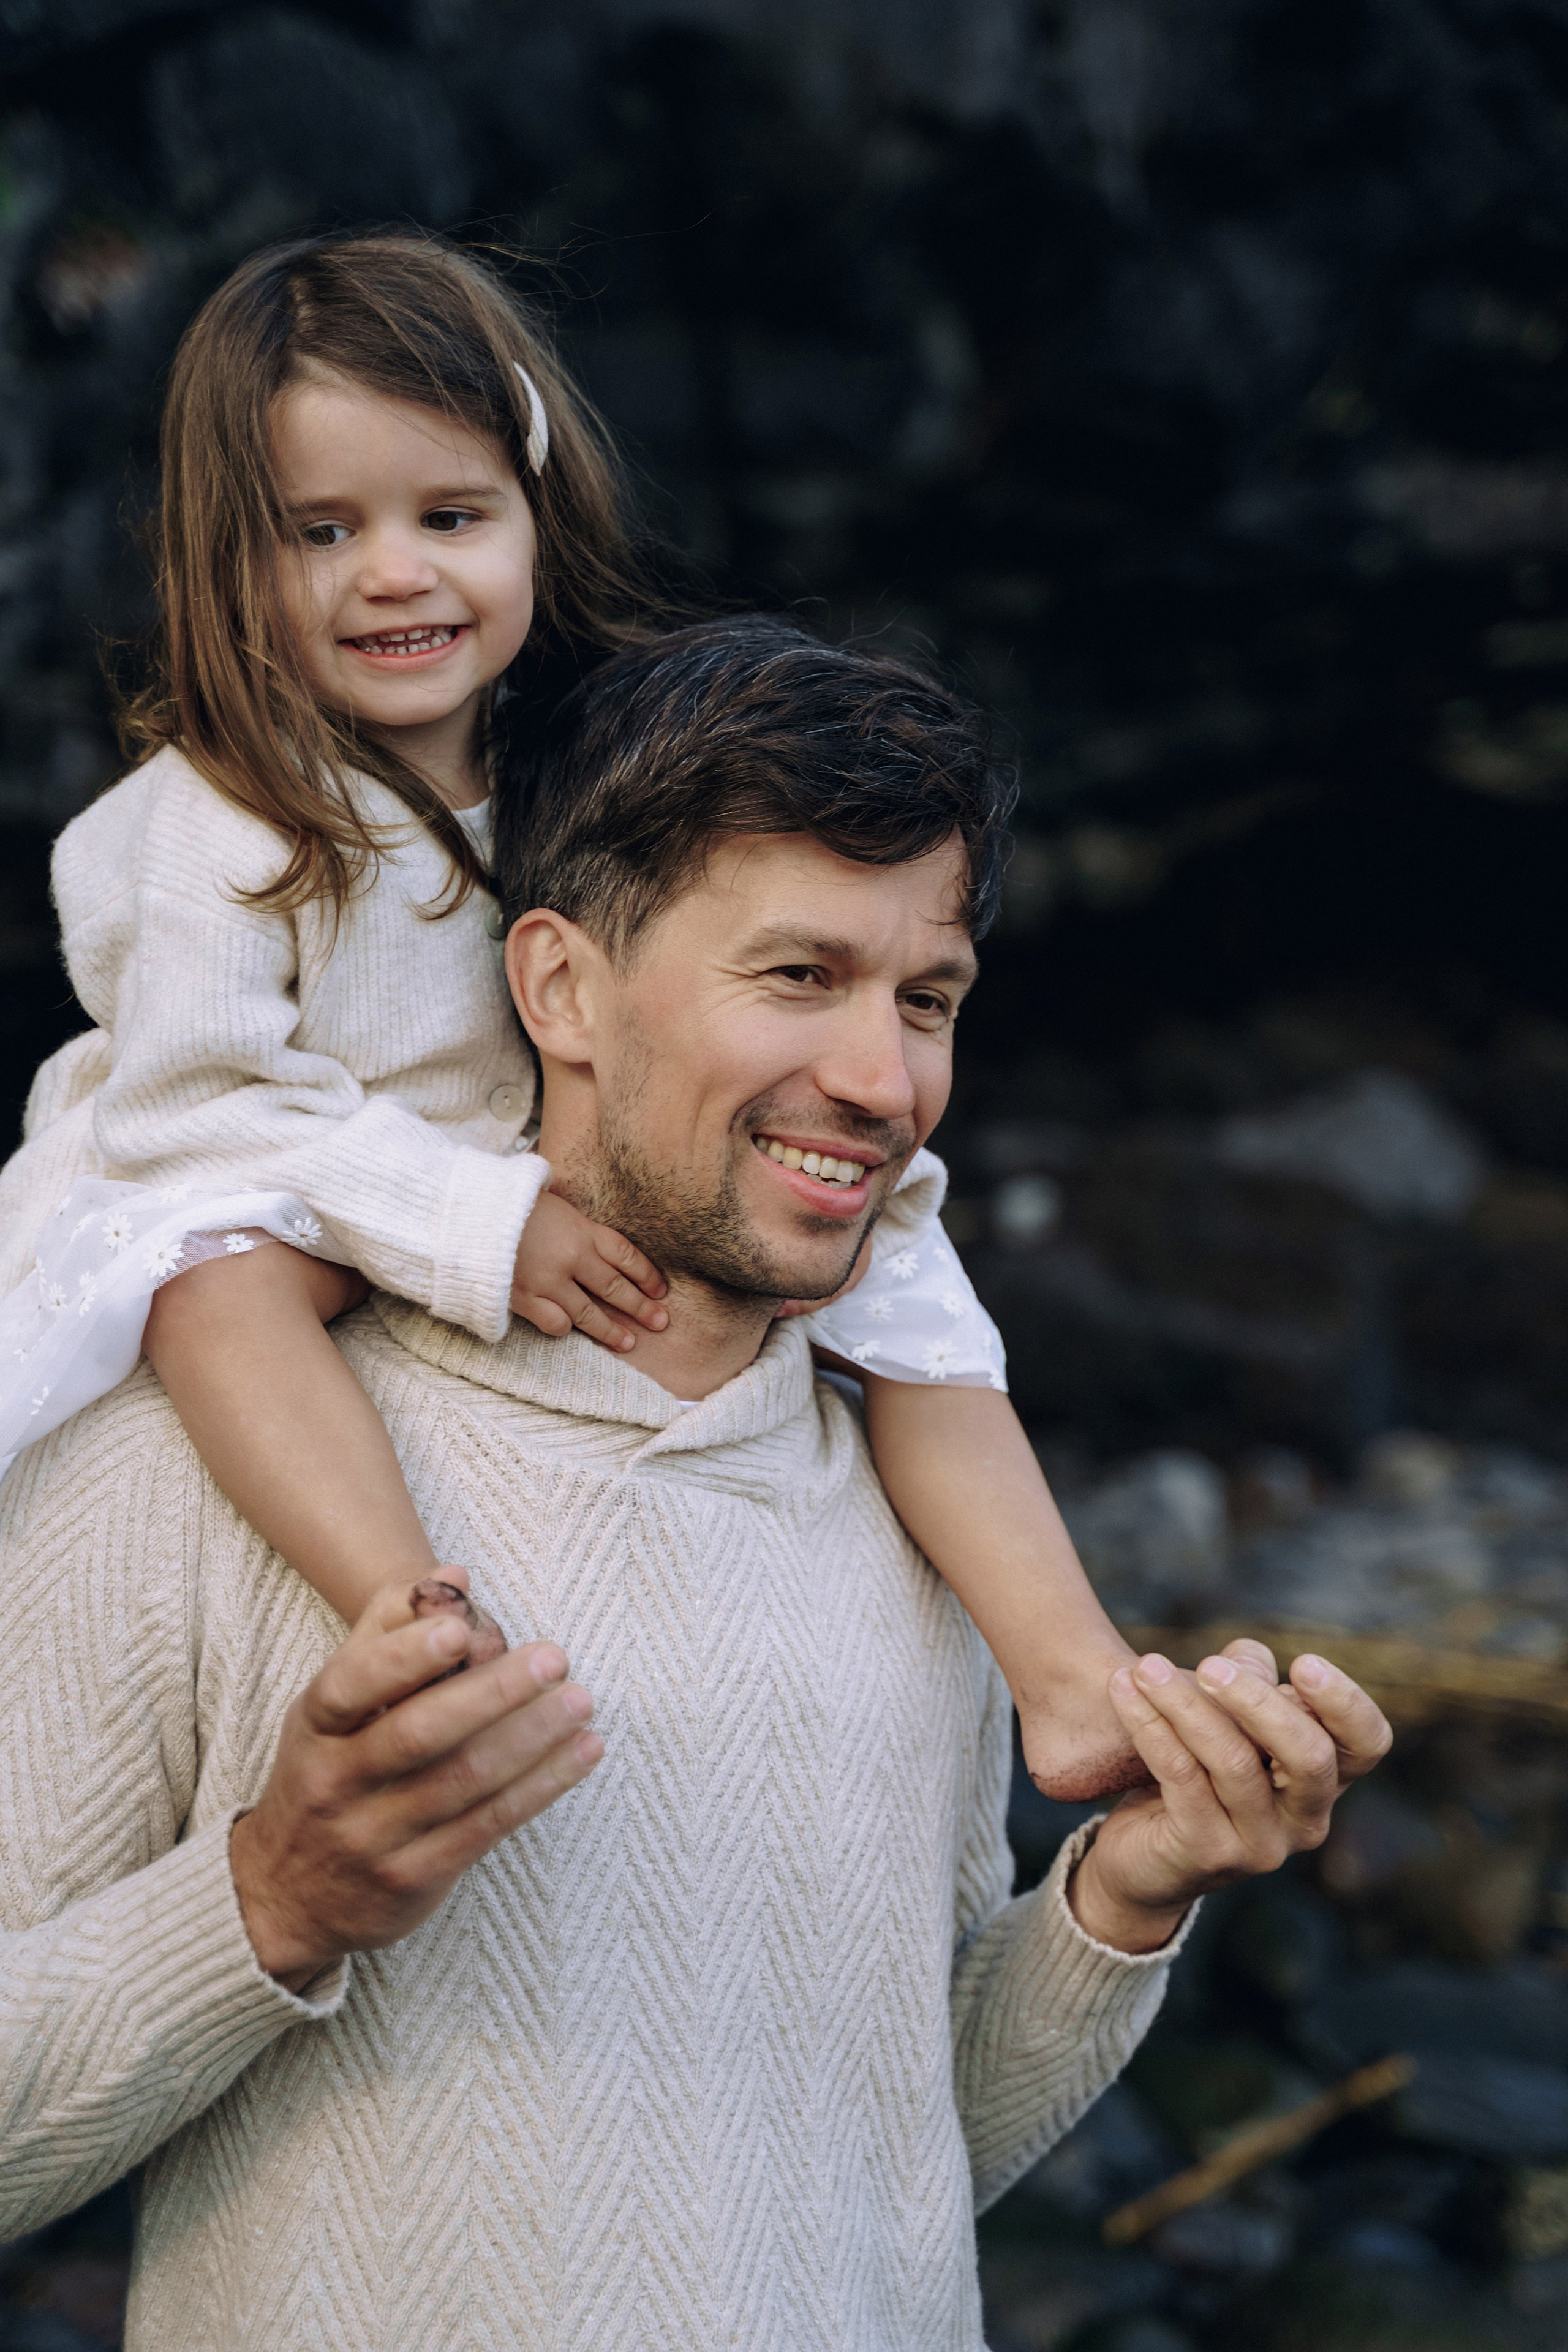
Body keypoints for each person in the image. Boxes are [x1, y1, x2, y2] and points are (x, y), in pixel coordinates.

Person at [0, 620, 1392, 2348]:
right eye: (799, 978)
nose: (885, 1085)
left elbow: (894, 2156)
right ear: (560, 989)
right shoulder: (189, 1461)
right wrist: (273, 1902)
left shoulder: (924, 1507)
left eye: (928, 999)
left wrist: (1127, 1893)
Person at [0, 228, 1136, 1805]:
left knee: (909, 1280)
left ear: (536, 519)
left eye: (449, 515)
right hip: (255, 1176)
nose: (396, 572)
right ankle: (411, 1609)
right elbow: (197, 1118)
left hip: (499, 1159)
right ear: (225, 565)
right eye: (321, 532)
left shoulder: (557, 763)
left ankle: (1070, 1674)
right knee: (221, 1285)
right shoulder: (220, 823)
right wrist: (474, 1218)